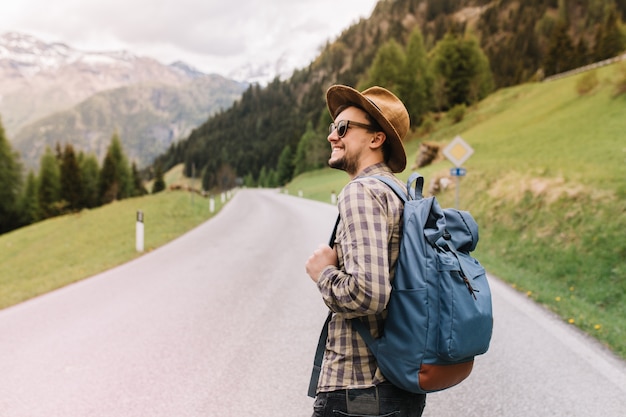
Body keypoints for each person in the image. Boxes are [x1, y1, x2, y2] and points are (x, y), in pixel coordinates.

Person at [305, 85, 427, 417]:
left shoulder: (361, 192)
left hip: (358, 390)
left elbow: (369, 294)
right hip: (397, 385)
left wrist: (323, 273)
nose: (332, 136)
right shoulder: (400, 194)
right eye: (333, 128)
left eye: (343, 128)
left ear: (376, 139)